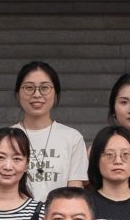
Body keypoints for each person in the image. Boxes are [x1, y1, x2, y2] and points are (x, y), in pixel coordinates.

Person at [12, 61, 87, 191]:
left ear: (55, 94)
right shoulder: (6, 137)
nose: (37, 94)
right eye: (29, 88)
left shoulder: (72, 138)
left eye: (44, 88)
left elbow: (75, 192)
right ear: (18, 94)